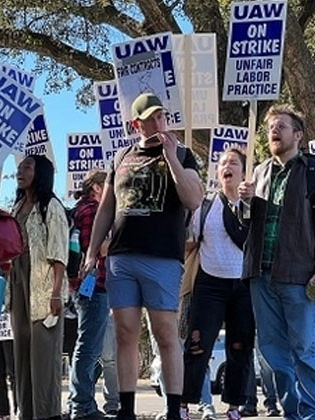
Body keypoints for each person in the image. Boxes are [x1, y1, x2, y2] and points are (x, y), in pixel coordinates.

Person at [83, 93, 203, 420]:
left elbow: (193, 199)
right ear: (136, 124)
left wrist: (172, 158)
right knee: (125, 333)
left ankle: (174, 407)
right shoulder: (121, 155)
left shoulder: (183, 154)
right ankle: (127, 408)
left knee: (165, 332)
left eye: (161, 116)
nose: (158, 123)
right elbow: (107, 207)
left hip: (162, 256)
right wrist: (93, 252)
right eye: (150, 118)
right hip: (122, 256)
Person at [238, 104, 315, 420]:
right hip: (261, 274)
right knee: (272, 352)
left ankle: (313, 414)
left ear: (297, 135)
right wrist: (243, 203)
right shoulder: (259, 173)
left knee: (305, 348)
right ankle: (292, 411)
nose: (274, 131)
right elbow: (246, 225)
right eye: (271, 127)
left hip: (298, 275)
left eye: (281, 126)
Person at [181, 148, 253, 420]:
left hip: (243, 286)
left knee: (240, 347)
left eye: (234, 162)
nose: (227, 166)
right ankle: (184, 404)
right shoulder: (206, 206)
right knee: (198, 346)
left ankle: (234, 406)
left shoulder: (253, 206)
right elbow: (190, 243)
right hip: (209, 284)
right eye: (223, 163)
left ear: (243, 172)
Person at [10, 155, 69, 420]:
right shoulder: (18, 206)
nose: (20, 170)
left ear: (41, 173)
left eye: (28, 166)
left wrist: (56, 293)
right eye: (20, 166)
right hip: (18, 282)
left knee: (43, 357)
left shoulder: (51, 206)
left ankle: (47, 413)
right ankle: (27, 412)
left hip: (44, 289)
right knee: (22, 355)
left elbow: (59, 253)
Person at [69, 169, 117, 419]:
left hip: (86, 286)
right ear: (97, 188)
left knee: (87, 347)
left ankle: (78, 402)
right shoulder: (91, 212)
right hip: (93, 286)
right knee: (88, 349)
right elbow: (94, 248)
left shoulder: (79, 209)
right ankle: (82, 405)